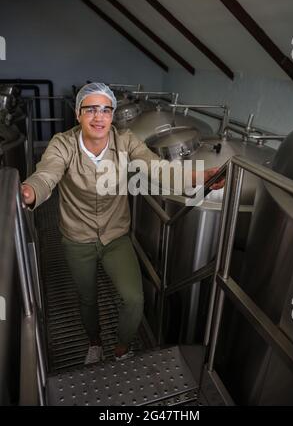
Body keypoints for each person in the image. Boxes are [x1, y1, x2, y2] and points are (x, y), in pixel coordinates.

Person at [22, 82, 224, 365]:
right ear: (78, 114)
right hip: (77, 238)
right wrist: (29, 192)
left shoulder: (126, 141)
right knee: (87, 299)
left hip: (116, 236)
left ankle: (121, 349)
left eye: (105, 110)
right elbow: (47, 174)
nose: (99, 117)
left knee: (134, 299)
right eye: (91, 109)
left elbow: (158, 168)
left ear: (113, 115)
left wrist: (200, 176)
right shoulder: (63, 143)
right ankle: (94, 342)